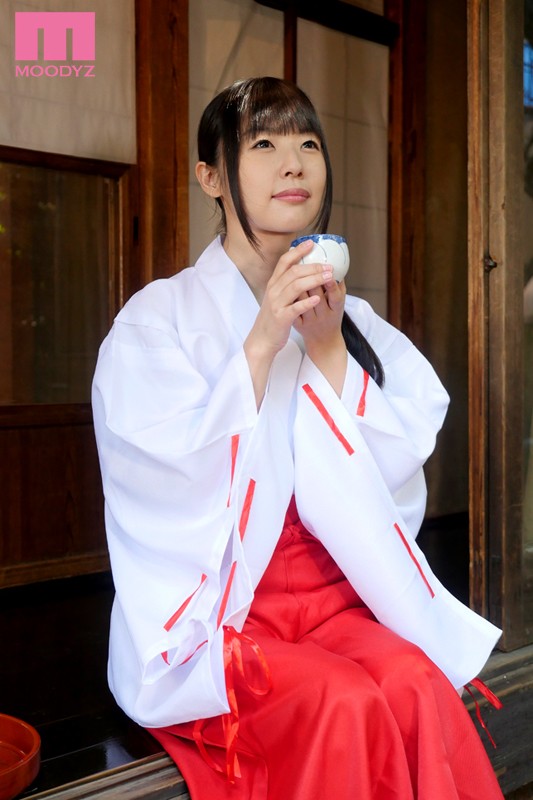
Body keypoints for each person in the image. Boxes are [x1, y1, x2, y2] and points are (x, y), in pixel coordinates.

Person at [92, 77, 505, 799]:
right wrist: (261, 343)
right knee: (342, 703)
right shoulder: (157, 319)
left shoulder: (354, 321)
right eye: (263, 144)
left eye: (308, 144)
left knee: (415, 683)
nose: (294, 163)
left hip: (335, 598)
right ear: (211, 177)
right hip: (226, 615)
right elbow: (156, 477)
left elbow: (400, 460)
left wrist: (328, 350)